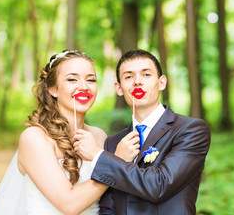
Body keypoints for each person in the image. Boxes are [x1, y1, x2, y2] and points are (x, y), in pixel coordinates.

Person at [0, 50, 140, 215]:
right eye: (72, 79)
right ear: (53, 89)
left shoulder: (99, 136)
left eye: (91, 79)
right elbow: (69, 204)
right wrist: (115, 163)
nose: (84, 86)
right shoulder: (35, 138)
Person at [73, 49, 211, 215]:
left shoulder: (190, 130)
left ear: (161, 82)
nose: (137, 82)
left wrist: (97, 155)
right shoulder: (113, 142)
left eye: (146, 75)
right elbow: (109, 206)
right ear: (119, 88)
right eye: (129, 77)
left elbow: (159, 185)